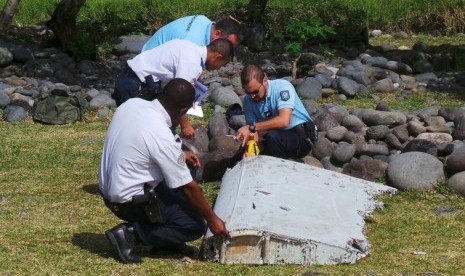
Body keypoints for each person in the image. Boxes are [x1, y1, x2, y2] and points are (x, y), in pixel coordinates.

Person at [100, 78, 230, 264]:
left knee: (187, 170)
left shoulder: (132, 104)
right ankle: (130, 234)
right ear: (183, 111)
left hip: (109, 189)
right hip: (128, 201)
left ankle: (166, 240)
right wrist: (212, 219)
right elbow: (188, 188)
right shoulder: (160, 133)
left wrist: (181, 155)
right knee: (192, 225)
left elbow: (143, 145)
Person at [112, 38, 234, 138]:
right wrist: (185, 126)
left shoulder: (190, 46)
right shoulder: (193, 63)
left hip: (129, 77)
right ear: (217, 57)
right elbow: (178, 97)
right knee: (135, 132)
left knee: (130, 127)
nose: (218, 68)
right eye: (221, 65)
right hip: (136, 85)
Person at [234, 64, 317, 160]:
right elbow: (253, 133)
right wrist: (250, 151)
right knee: (240, 155)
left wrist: (252, 127)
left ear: (265, 80)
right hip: (278, 137)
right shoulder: (248, 101)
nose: (252, 96)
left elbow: (284, 121)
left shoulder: (282, 87)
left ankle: (278, 170)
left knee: (273, 137)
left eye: (255, 91)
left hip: (301, 137)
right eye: (248, 93)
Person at [142, 15, 242, 51]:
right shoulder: (193, 44)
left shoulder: (203, 20)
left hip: (149, 50)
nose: (228, 52)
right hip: (146, 72)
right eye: (228, 46)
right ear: (216, 34)